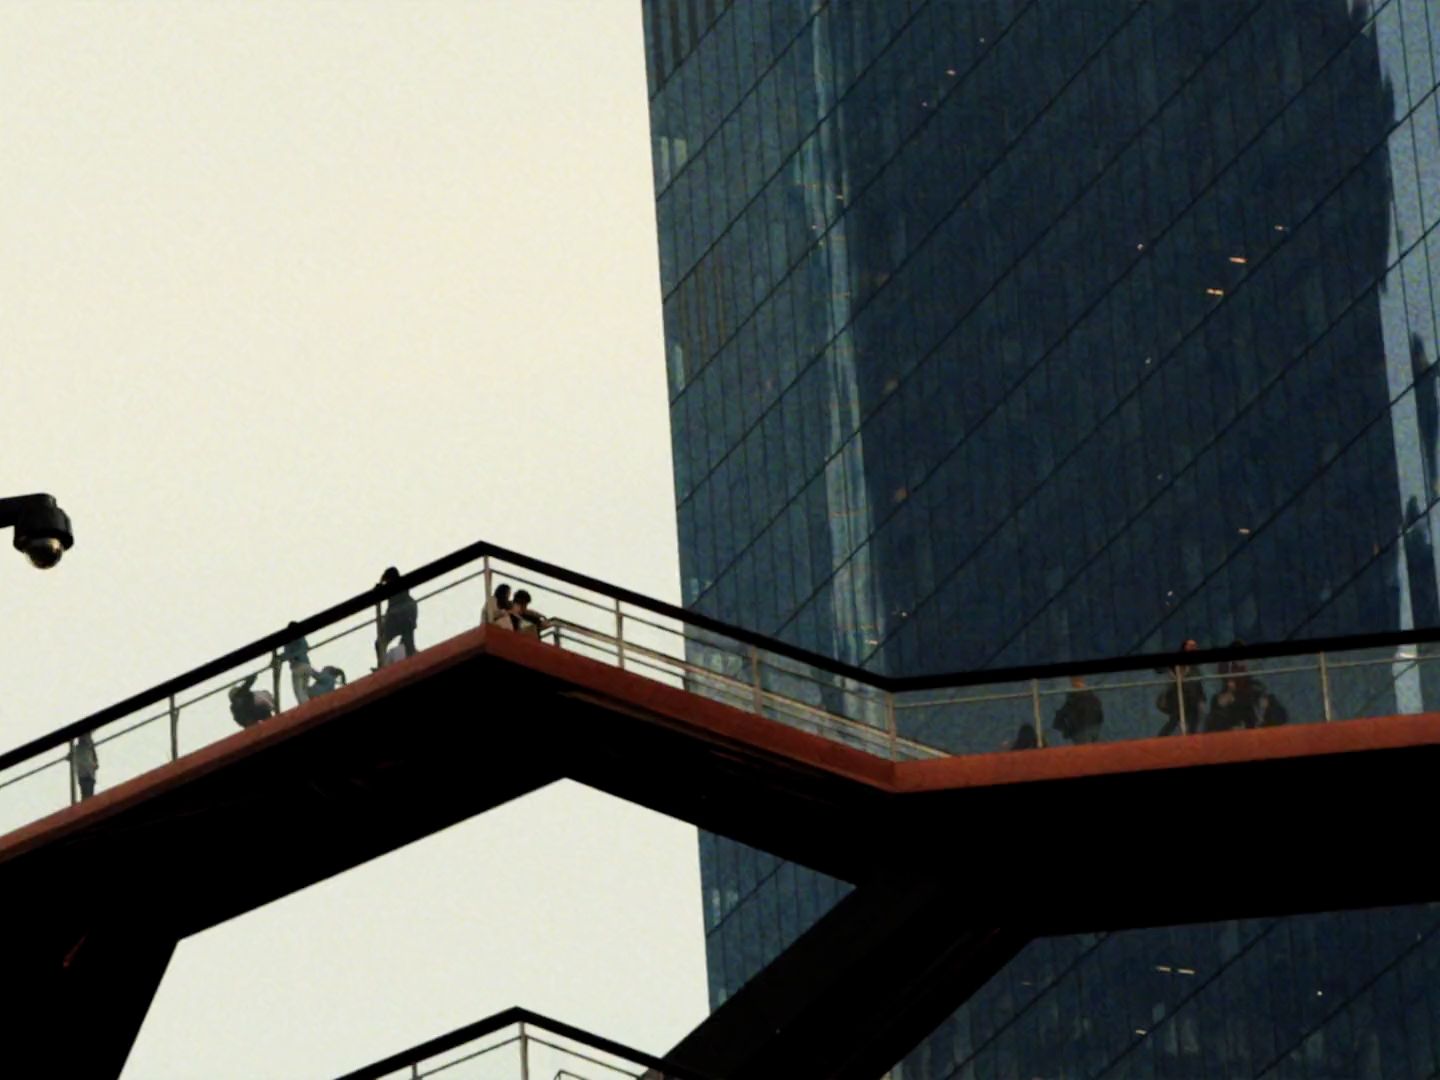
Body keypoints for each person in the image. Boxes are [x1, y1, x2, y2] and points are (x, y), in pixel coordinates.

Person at [1156, 638, 1205, 736]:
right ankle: (1161, 738)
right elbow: (1159, 668)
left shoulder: (1195, 668)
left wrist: (1201, 700)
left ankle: (1191, 741)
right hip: (1178, 697)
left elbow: (1198, 684)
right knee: (1175, 720)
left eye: (1195, 646)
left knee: (1193, 722)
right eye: (1191, 646)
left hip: (1192, 698)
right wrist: (1171, 673)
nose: (1194, 648)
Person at [1208, 640, 1259, 732]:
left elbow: (1248, 680)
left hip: (1243, 694)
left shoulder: (1244, 665)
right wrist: (1230, 687)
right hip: (1231, 692)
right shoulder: (1226, 664)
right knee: (1220, 703)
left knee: (1247, 705)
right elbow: (1227, 679)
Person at [376, 566, 418, 664]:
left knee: (380, 643)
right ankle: (411, 655)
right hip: (408, 613)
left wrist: (380, 586)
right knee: (408, 639)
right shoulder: (403, 585)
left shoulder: (394, 586)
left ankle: (381, 664)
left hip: (397, 616)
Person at [1053, 675, 1104, 744]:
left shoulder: (1088, 697)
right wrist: (1068, 731)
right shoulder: (1074, 699)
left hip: (1089, 729)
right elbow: (1058, 720)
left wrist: (1068, 731)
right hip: (1083, 731)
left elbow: (1058, 720)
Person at [281, 622, 317, 705]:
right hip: (307, 665)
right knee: (304, 690)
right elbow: (307, 648)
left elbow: (287, 655)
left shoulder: (288, 640)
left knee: (299, 691)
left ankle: (306, 709)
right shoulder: (301, 638)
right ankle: (310, 706)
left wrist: (280, 658)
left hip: (297, 666)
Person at [71, 732, 98, 800]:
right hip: (85, 774)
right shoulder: (80, 748)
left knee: (88, 794)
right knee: (87, 795)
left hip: (87, 774)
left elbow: (95, 760)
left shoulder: (88, 747)